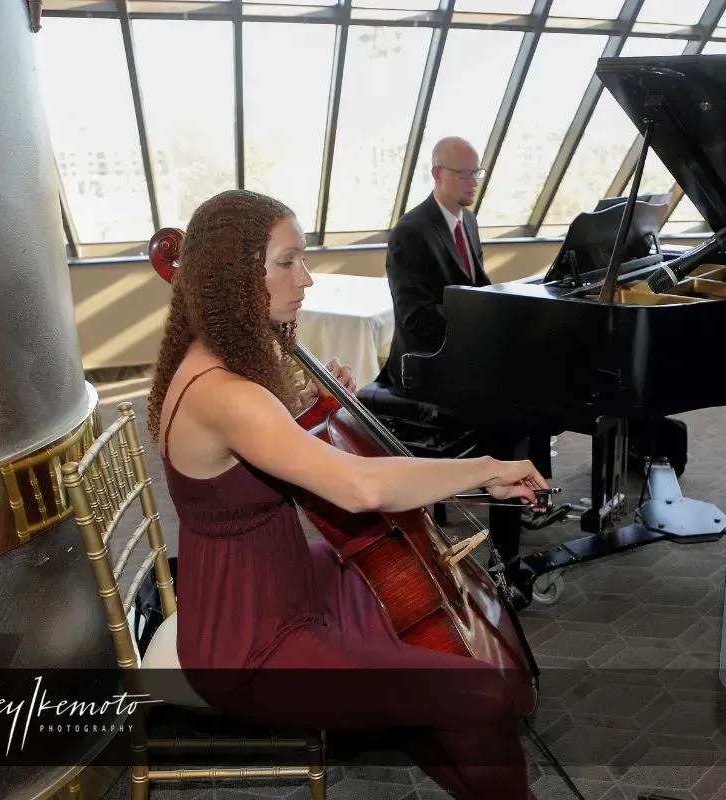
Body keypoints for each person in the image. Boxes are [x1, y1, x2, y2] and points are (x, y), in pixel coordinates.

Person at [145, 189, 543, 800]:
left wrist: (301, 408)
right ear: (233, 275)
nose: (305, 279)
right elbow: (359, 488)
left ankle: (445, 745)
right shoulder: (225, 393)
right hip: (252, 644)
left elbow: (257, 450)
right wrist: (484, 470)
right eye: (287, 262)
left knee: (397, 605)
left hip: (266, 586)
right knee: (481, 695)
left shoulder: (213, 362)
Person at [380, 136, 558, 599]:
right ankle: (504, 560)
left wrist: (507, 311)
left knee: (538, 381)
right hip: (421, 364)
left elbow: (477, 286)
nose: (473, 182)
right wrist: (478, 328)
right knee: (509, 408)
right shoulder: (411, 231)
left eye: (477, 173)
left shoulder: (468, 220)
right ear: (437, 174)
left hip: (462, 351)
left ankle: (531, 491)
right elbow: (415, 318)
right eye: (465, 174)